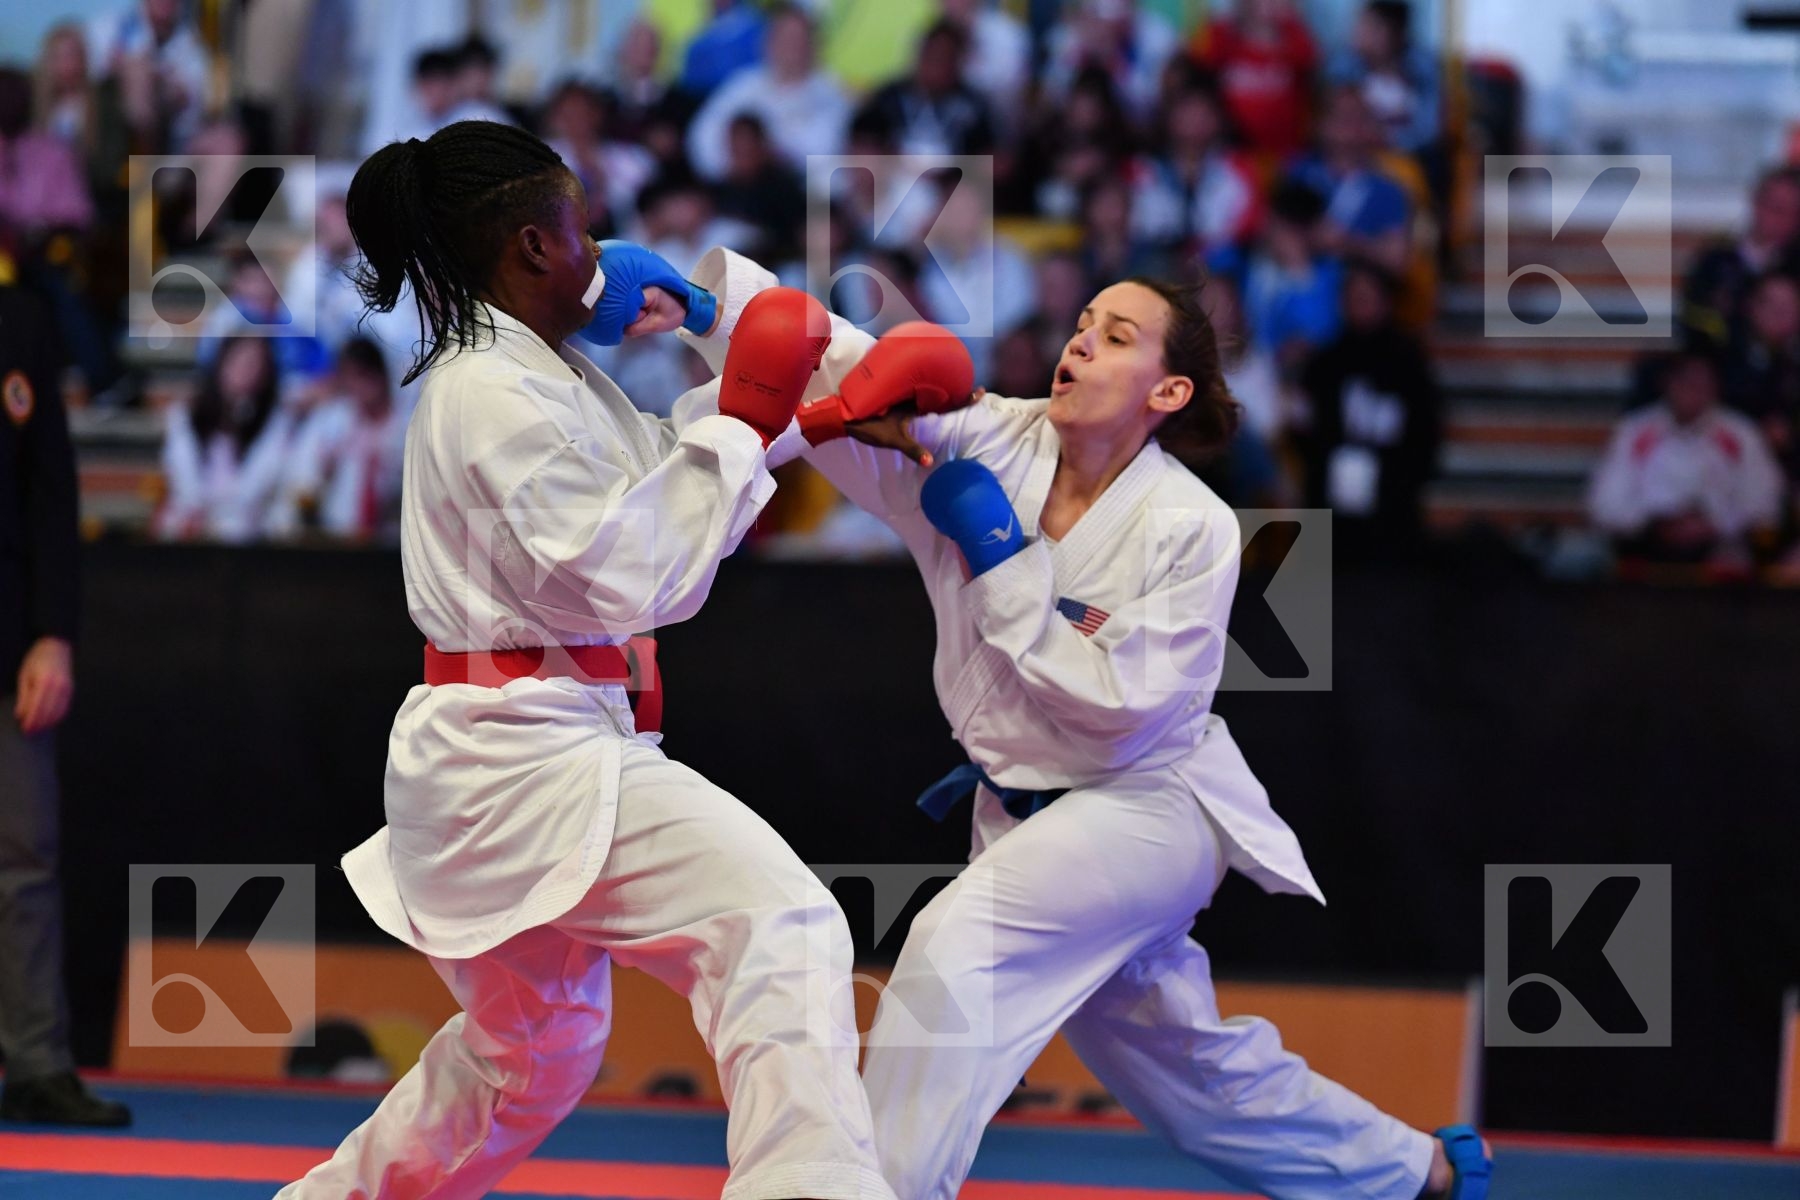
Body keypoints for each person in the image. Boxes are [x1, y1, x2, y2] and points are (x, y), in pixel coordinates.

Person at [649, 245, 1494, 1200]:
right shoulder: (988, 439)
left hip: (1142, 809)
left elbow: (1121, 717)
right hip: (1020, 815)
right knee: (1191, 1081)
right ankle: (1418, 1171)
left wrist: (1006, 562)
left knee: (955, 951)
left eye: (1116, 336)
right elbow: (838, 363)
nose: (1082, 342)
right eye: (1083, 324)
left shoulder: (1191, 527)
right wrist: (700, 304)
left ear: (1167, 391)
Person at [276, 119, 895, 1200]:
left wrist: (811, 409)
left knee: (536, 1055)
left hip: (521, 749)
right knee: (779, 921)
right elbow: (628, 573)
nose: (599, 252)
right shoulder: (489, 391)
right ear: (530, 246)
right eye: (581, 229)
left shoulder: (540, 374)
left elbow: (664, 476)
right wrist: (749, 417)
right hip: (522, 757)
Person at [0, 281, 131, 1127]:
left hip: (8, 636)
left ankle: (38, 1063)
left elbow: (52, 486)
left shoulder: (19, 315)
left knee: (24, 854)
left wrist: (55, 633)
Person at [1297, 259, 1441, 559]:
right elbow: (1310, 426)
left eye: (1367, 298)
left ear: (1385, 302)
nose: (1360, 307)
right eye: (1353, 299)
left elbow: (1426, 430)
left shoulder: (1408, 362)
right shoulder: (1328, 361)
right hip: (1332, 498)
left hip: (1393, 496)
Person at [1589, 347, 1785, 564]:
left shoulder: (1741, 434)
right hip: (1648, 545)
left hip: (1721, 550)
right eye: (1686, 382)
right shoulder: (1635, 431)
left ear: (1716, 386)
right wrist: (1658, 523)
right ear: (1667, 383)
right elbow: (1605, 504)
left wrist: (1715, 524)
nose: (1693, 391)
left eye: (1702, 384)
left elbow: (1764, 503)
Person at [685, 3, 851, 183]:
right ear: (769, 42)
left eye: (799, 39)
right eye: (784, 38)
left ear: (815, 45)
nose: (791, 48)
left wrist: (780, 158)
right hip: (740, 191)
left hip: (806, 198)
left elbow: (837, 160)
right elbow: (703, 138)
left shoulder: (833, 95)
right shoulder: (742, 86)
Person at [155, 335, 295, 543]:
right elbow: (183, 479)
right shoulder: (186, 417)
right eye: (241, 362)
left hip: (249, 529)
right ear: (222, 362)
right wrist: (199, 515)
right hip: (192, 524)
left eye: (257, 365)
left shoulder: (276, 422)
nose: (248, 372)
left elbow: (260, 485)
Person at [274, 337, 406, 542]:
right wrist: (324, 472)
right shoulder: (332, 422)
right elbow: (302, 480)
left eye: (365, 376)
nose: (360, 386)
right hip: (338, 538)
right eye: (350, 378)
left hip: (391, 541)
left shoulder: (403, 427)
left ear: (381, 375)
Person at [1681, 166, 1800, 349]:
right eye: (1776, 207)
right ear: (1756, 202)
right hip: (1723, 363)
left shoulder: (1794, 267)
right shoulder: (1715, 262)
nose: (1782, 218)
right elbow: (1693, 319)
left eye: (1793, 212)